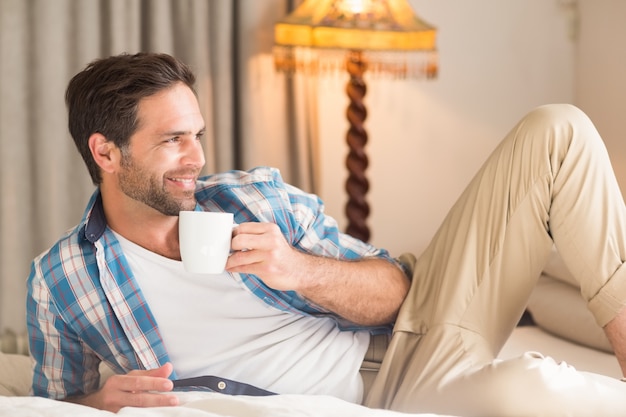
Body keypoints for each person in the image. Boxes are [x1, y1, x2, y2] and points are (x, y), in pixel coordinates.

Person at [26, 52, 626, 416]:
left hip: (412, 341)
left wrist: (297, 268)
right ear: (105, 152)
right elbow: (54, 399)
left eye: (198, 134)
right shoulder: (63, 281)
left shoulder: (254, 197)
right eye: (171, 140)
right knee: (535, 390)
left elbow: (397, 291)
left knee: (559, 128)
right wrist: (99, 403)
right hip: (399, 397)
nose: (196, 158)